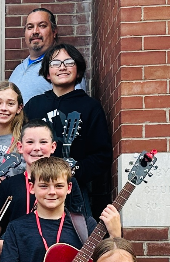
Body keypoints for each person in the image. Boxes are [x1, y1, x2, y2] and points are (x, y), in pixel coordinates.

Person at [23, 44, 112, 216]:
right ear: (47, 73)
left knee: (79, 239)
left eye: (68, 62)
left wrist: (72, 172)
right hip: (35, 188)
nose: (62, 67)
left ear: (78, 71)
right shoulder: (34, 105)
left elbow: (102, 155)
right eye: (55, 63)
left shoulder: (90, 107)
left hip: (73, 189)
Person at [0, 119, 58, 258]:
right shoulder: (8, 185)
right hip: (15, 257)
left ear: (53, 147)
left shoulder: (66, 183)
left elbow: (78, 225)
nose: (37, 148)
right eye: (30, 142)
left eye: (43, 142)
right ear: (20, 147)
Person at [8, 9, 83, 101]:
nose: (35, 31)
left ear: (54, 31)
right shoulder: (18, 70)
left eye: (42, 26)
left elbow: (77, 105)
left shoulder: (65, 67)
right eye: (30, 27)